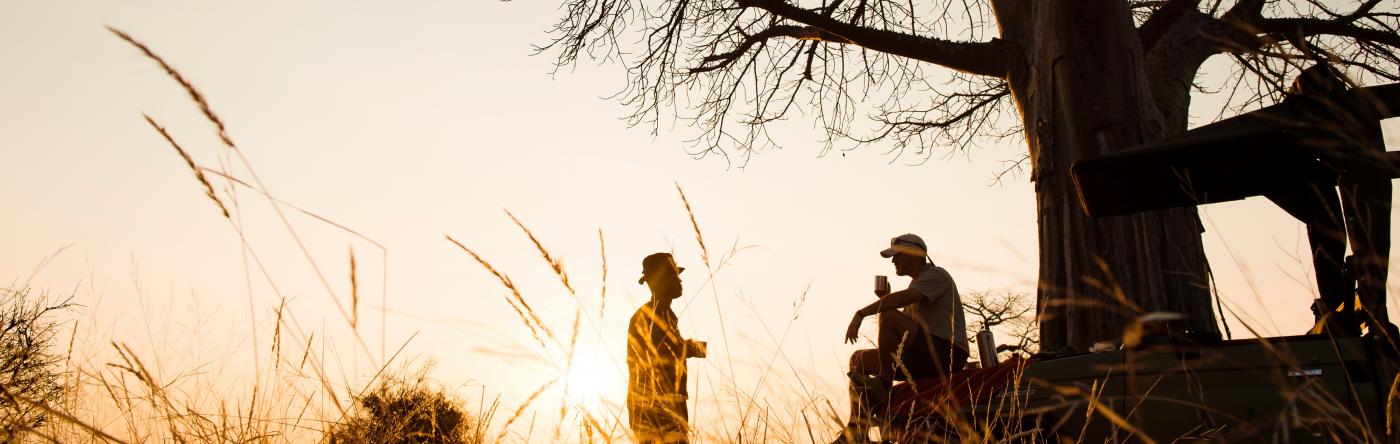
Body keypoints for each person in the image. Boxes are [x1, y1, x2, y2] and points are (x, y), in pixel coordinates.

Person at [835, 234, 969, 442]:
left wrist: (862, 313)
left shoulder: (937, 275)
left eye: (897, 256)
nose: (893, 261)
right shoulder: (916, 285)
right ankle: (857, 429)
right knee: (858, 359)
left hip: (946, 355)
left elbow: (900, 305)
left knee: (888, 315)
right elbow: (903, 334)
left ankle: (884, 385)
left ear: (914, 254)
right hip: (921, 356)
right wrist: (885, 300)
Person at [627, 252, 706, 443]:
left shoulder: (665, 315)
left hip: (667, 405)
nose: (679, 280)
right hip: (656, 408)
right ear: (658, 281)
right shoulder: (651, 315)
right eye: (673, 275)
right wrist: (700, 349)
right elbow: (666, 351)